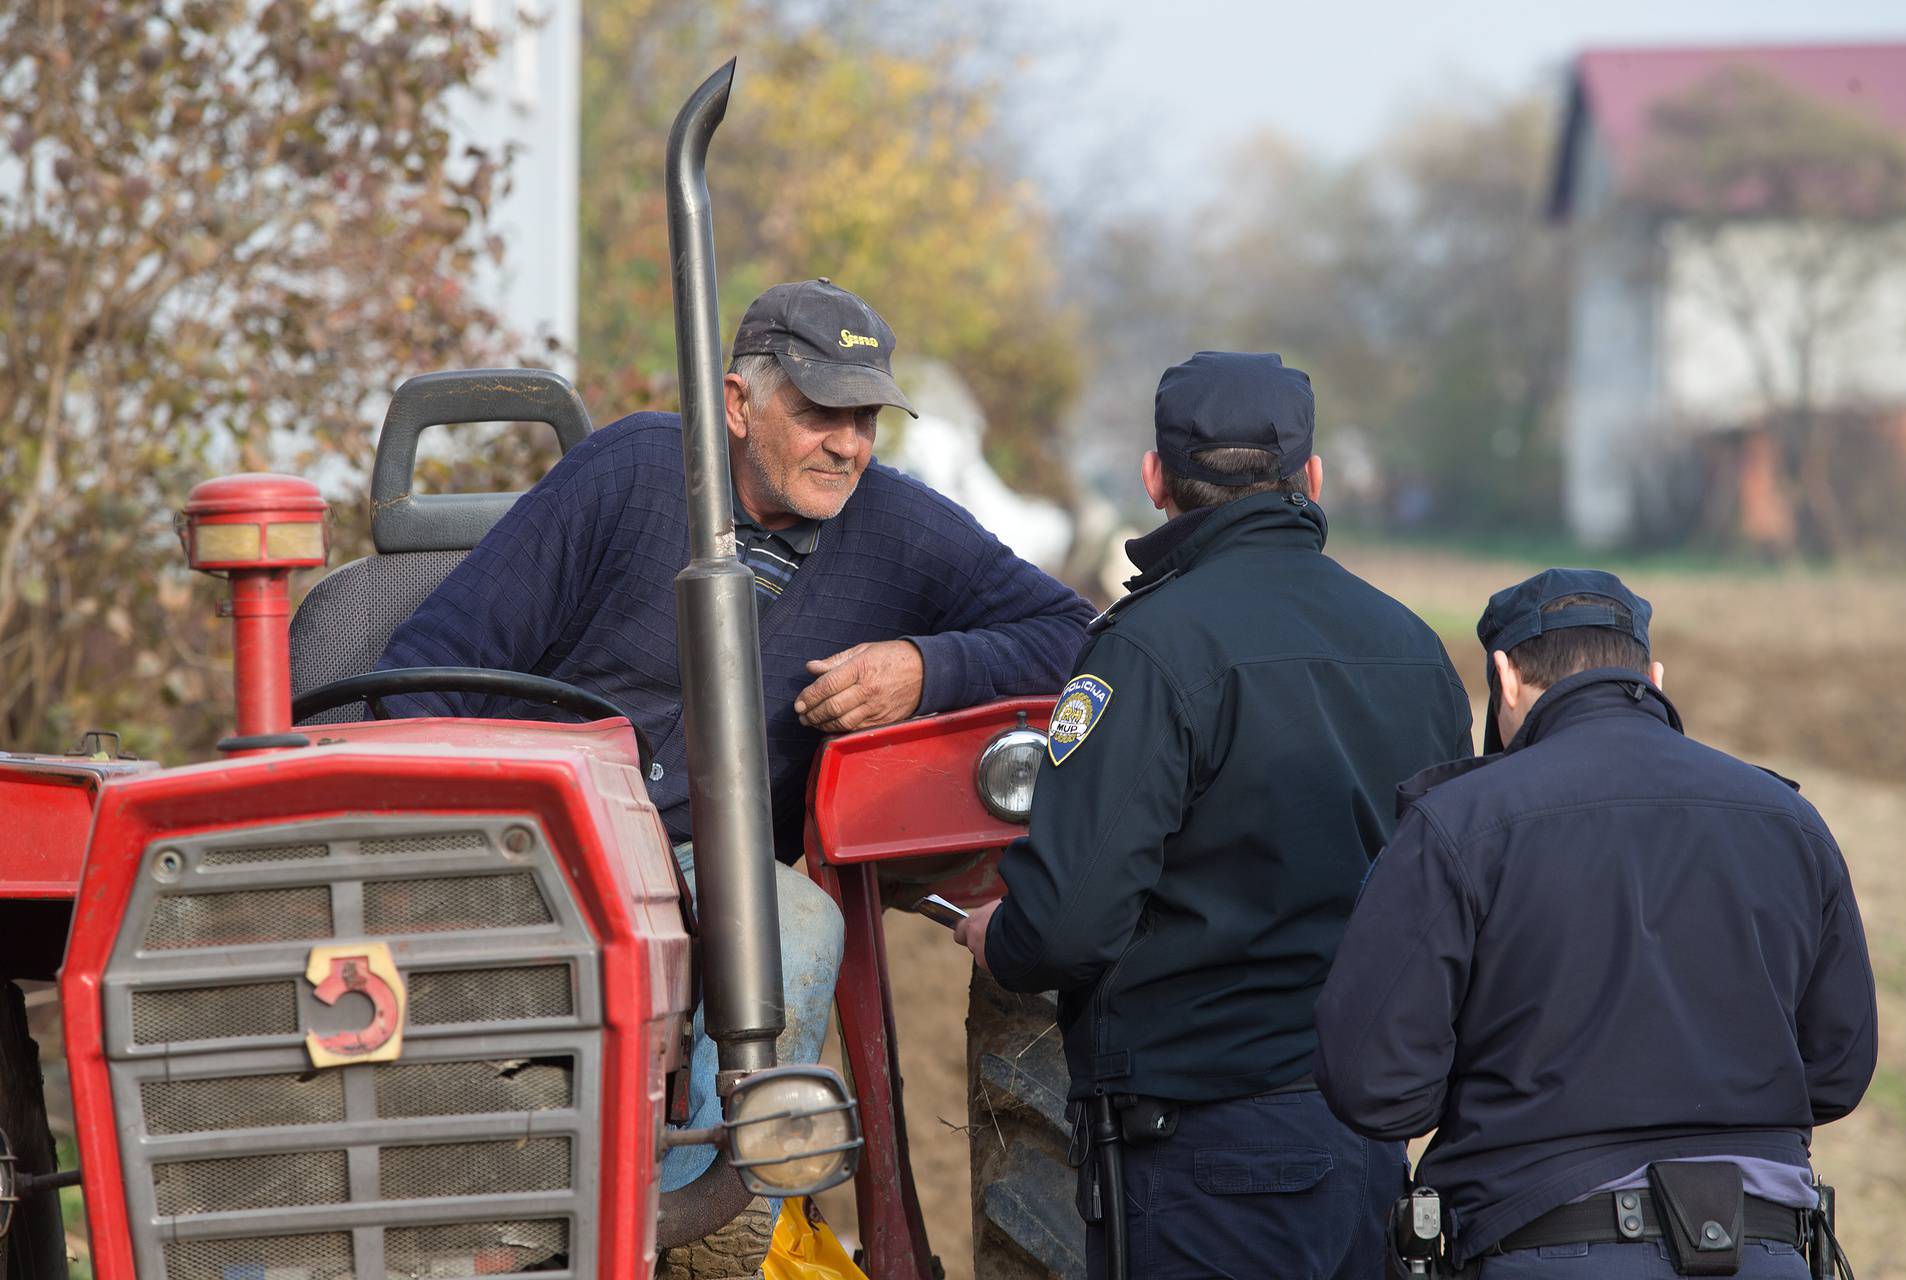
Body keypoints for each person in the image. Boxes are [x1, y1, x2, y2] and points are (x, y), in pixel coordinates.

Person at [376, 278, 1093, 1194]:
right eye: (819, 411)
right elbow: (435, 667)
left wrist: (926, 667)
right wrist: (453, 854)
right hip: (534, 846)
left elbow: (1076, 636)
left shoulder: (899, 526)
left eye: (867, 418)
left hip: (711, 874)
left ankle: (705, 1214)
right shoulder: (631, 473)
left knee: (797, 929)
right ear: (736, 403)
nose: (847, 444)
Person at [953, 350, 1475, 1280]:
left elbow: (1069, 925)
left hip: (1203, 1154)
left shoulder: (1146, 650)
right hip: (1368, 1151)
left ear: (1156, 480)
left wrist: (1005, 940)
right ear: (1310, 478)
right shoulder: (1414, 650)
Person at [1312, 569, 1877, 1278]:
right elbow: (1838, 1069)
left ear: (1505, 677)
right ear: (1655, 675)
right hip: (1764, 1247)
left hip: (1538, 1242)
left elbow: (1372, 1080)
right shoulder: (1790, 821)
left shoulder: (1457, 823)